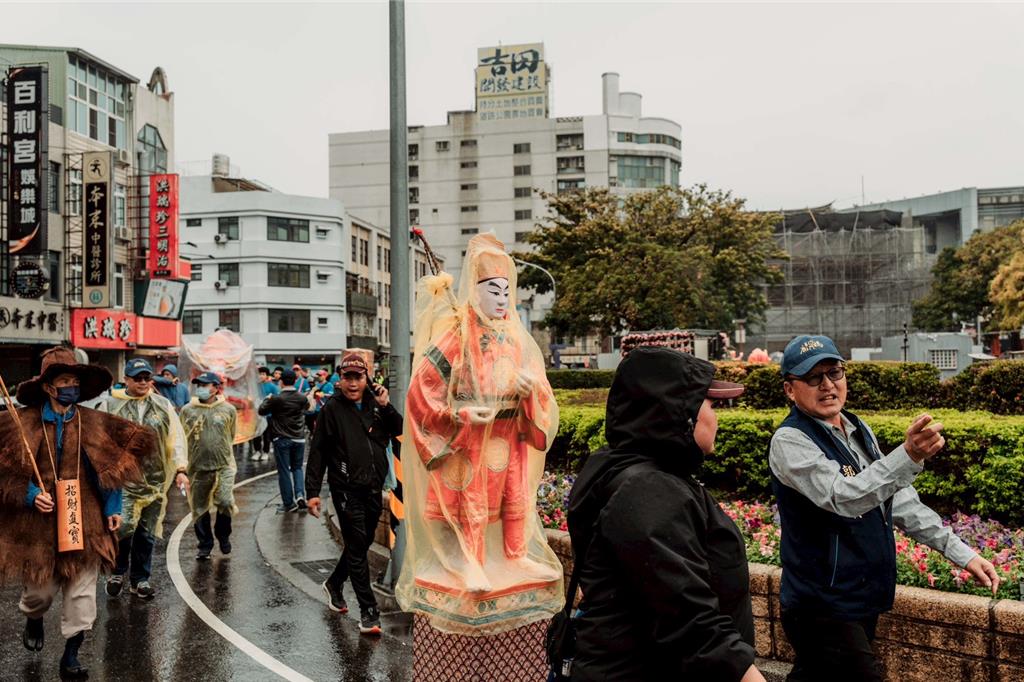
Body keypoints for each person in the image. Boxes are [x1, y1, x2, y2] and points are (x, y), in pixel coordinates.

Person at [769, 334, 1001, 682]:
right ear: (790, 390)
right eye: (813, 378)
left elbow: (897, 498)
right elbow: (845, 497)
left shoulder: (856, 427)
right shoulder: (790, 441)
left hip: (860, 597)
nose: (828, 385)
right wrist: (906, 456)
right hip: (822, 604)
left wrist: (961, 553)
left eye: (835, 372)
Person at [565, 346, 764, 681]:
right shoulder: (647, 491)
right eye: (711, 404)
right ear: (679, 412)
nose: (716, 417)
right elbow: (688, 617)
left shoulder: (627, 469)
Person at [0, 346, 153, 679]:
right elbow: (4, 471)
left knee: (82, 595)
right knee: (38, 594)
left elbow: (110, 469)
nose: (71, 386)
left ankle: (71, 656)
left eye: (75, 380)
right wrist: (30, 495)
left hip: (86, 522)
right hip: (38, 527)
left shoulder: (93, 422)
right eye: (65, 380)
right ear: (48, 386)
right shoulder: (21, 423)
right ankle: (34, 618)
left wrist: (113, 508)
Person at [306, 353, 403, 635]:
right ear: (340, 379)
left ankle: (335, 583)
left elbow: (398, 429)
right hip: (345, 488)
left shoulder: (376, 403)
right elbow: (318, 451)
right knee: (358, 547)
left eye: (357, 378)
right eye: (347, 378)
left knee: (361, 543)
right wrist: (313, 491)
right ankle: (369, 612)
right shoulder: (331, 409)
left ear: (366, 378)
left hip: (374, 485)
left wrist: (386, 407)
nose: (352, 384)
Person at [100, 359, 189, 600]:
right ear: (126, 379)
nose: (142, 382)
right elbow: (98, 442)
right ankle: (116, 572)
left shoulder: (162, 405)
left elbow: (175, 438)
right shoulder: (110, 405)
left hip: (155, 481)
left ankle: (140, 579)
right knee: (124, 526)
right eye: (136, 378)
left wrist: (181, 469)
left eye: (146, 378)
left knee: (147, 531)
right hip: (124, 481)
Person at [180, 372, 238, 560]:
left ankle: (223, 535)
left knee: (225, 501)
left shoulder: (228, 409)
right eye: (198, 384)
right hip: (197, 467)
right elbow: (181, 437)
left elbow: (232, 434)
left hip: (224, 465)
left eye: (205, 385)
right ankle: (205, 544)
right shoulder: (188, 410)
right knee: (199, 507)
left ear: (215, 387)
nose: (201, 388)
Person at [258, 369, 309, 512]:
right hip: (299, 438)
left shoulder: (276, 398)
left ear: (281, 382)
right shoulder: (301, 398)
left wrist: (267, 398)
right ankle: (300, 495)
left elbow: (261, 411)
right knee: (297, 468)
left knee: (284, 471)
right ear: (294, 381)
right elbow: (307, 408)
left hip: (282, 438)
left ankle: (289, 503)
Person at [250, 366, 280, 462]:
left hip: (268, 415)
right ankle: (257, 451)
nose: (261, 376)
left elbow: (277, 399)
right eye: (259, 374)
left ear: (267, 376)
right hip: (256, 414)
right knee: (256, 434)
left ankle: (266, 452)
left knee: (267, 435)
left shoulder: (272, 386)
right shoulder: (255, 386)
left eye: (263, 374)